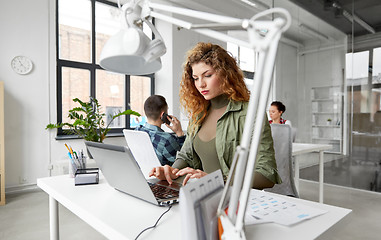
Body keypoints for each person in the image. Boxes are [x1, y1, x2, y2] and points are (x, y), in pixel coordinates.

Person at [149, 42, 281, 189]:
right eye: (196, 78)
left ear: (226, 74)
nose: (201, 84)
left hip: (233, 201)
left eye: (208, 75)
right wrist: (171, 171)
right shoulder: (199, 114)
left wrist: (216, 180)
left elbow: (267, 174)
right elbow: (186, 156)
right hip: (202, 195)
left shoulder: (250, 112)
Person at [136, 95, 186, 166]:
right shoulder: (166, 139)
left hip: (144, 174)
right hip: (164, 176)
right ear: (163, 114)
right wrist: (180, 133)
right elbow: (183, 161)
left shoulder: (137, 130)